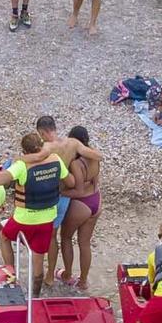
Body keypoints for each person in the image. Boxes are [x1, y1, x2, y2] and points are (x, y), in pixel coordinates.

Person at [0, 133, 67, 289]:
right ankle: (35, 295)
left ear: (25, 151)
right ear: (41, 146)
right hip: (47, 219)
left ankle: (11, 275)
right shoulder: (55, 159)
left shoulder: (22, 165)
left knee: (4, 237)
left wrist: (11, 166)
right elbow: (69, 181)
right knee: (38, 260)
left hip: (24, 219)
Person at [54, 125, 102, 292]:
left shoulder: (76, 163)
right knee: (85, 243)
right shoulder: (94, 155)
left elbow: (78, 190)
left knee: (66, 238)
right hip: (96, 200)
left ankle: (67, 275)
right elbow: (94, 182)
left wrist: (61, 191)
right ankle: (83, 281)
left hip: (81, 203)